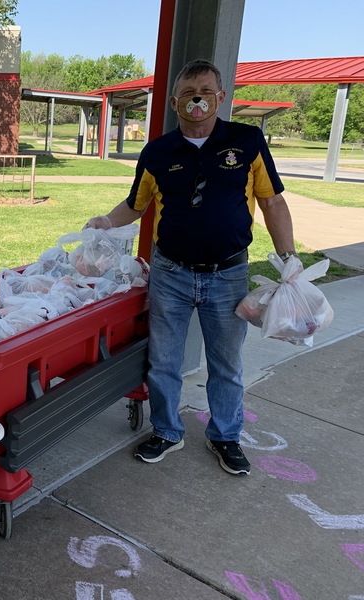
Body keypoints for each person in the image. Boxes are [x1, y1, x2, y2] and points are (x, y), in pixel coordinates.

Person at [84, 59, 296, 476]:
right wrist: (106, 222)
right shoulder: (158, 152)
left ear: (220, 97)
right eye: (188, 91)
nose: (196, 98)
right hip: (171, 274)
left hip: (228, 275)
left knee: (226, 364)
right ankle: (167, 430)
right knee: (164, 360)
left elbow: (271, 201)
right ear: (174, 100)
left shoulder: (248, 141)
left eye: (205, 90)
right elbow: (135, 205)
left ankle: (225, 436)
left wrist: (289, 257)